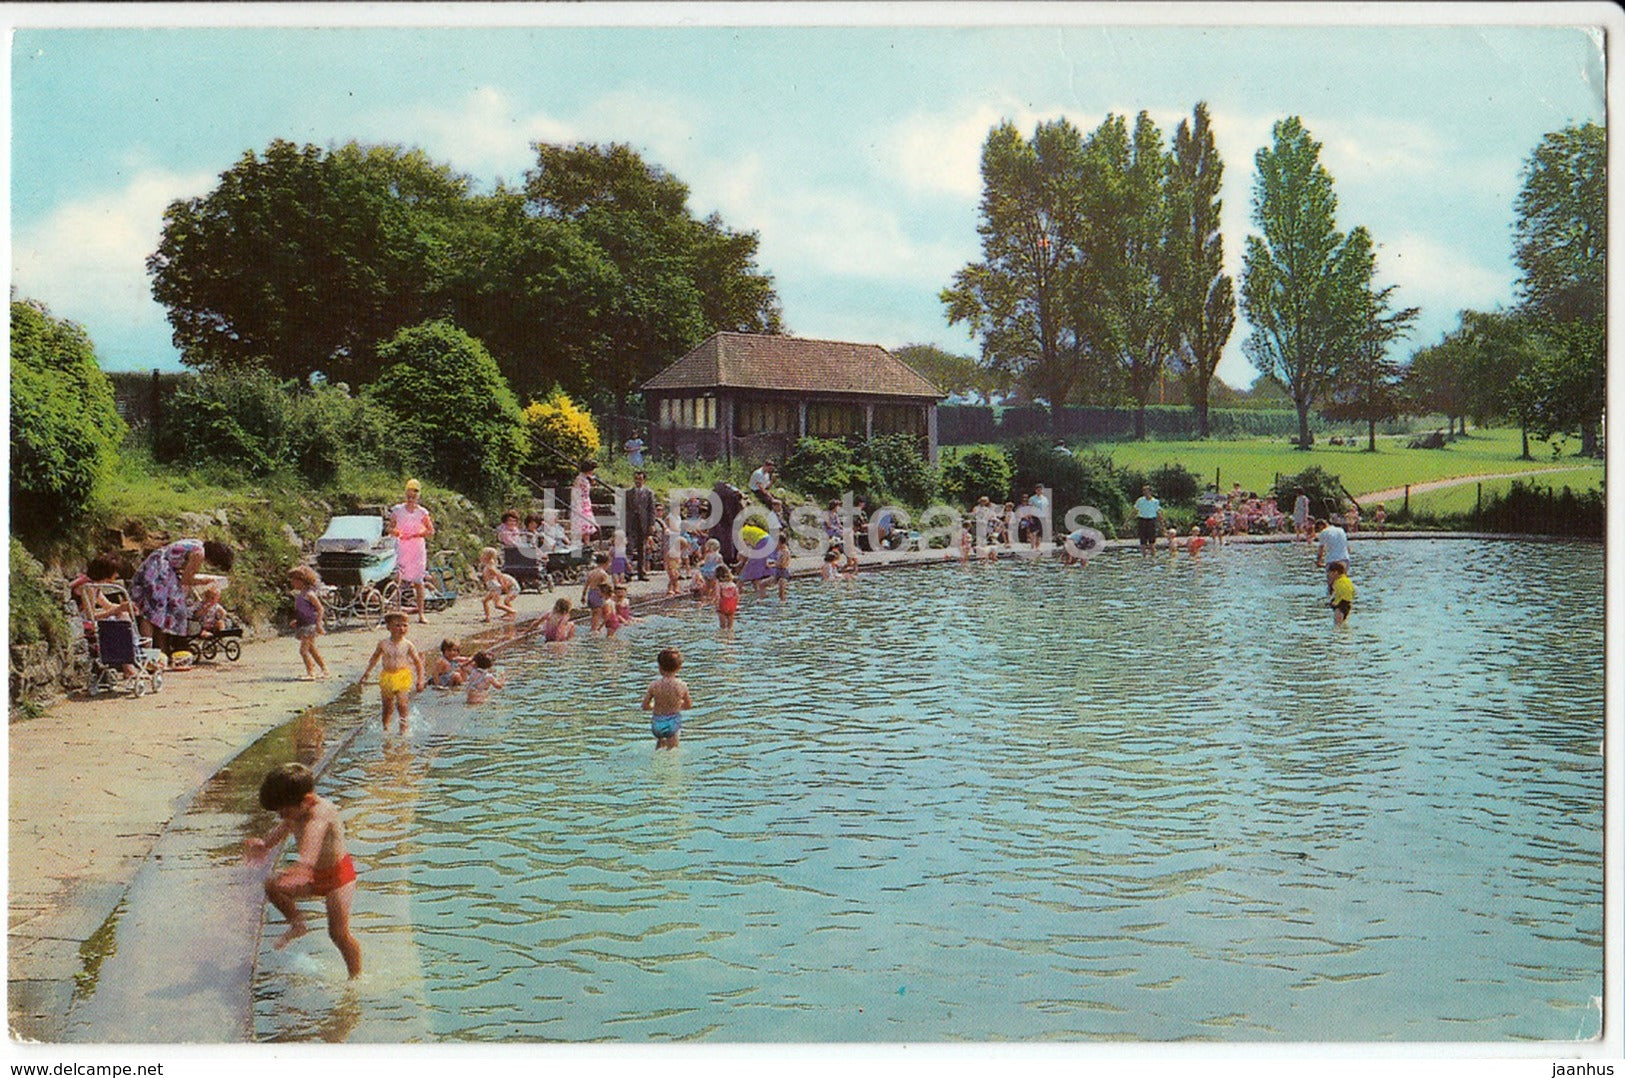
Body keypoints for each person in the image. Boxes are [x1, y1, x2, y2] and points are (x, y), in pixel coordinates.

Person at [244, 762, 362, 979]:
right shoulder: (294, 813)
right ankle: (297, 923)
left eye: (284, 811)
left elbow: (312, 836)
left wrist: (303, 866)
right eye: (279, 812)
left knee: (338, 934)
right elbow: (283, 828)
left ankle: (356, 977)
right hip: (314, 876)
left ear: (307, 800)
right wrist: (265, 844)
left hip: (339, 878)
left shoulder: (321, 812)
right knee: (271, 885)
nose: (282, 817)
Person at [130, 538, 234, 654]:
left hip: (158, 567)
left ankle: (158, 652)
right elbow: (186, 580)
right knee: (152, 614)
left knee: (157, 615)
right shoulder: (199, 553)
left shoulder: (197, 544)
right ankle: (147, 653)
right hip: (159, 573)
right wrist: (207, 580)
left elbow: (181, 568)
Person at [358, 612, 423, 730]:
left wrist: (420, 680)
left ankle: (404, 728)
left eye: (405, 625)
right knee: (387, 706)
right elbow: (374, 658)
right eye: (397, 625)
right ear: (389, 627)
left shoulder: (408, 645)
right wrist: (367, 673)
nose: (402, 629)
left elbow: (418, 662)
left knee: (402, 704)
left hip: (402, 675)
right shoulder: (383, 643)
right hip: (387, 676)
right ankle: (386, 727)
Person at [389, 479, 435, 624]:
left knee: (418, 581)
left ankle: (421, 613)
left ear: (418, 497)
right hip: (402, 545)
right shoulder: (397, 510)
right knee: (398, 578)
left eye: (413, 497)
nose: (410, 499)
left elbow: (430, 530)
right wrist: (396, 532)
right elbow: (390, 528)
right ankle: (397, 611)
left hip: (416, 547)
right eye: (408, 496)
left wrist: (417, 534)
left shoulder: (422, 512)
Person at [641, 647, 693, 751]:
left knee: (660, 745)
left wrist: (655, 706)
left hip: (657, 724)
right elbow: (688, 705)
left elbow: (645, 706)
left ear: (659, 667)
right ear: (679, 668)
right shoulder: (682, 685)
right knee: (673, 749)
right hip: (672, 722)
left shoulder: (654, 685)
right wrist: (677, 706)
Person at [288, 566, 329, 680]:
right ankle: (324, 669)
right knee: (312, 649)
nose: (292, 582)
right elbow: (302, 610)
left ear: (302, 581)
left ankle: (311, 672)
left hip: (310, 626)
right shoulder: (300, 595)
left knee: (303, 651)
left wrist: (319, 624)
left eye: (294, 580)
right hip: (303, 624)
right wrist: (297, 620)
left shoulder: (310, 594)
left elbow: (320, 609)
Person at [625, 471, 656, 581]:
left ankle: (641, 572)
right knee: (629, 547)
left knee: (642, 549)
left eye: (640, 479)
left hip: (643, 524)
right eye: (636, 478)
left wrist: (652, 524)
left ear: (644, 480)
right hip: (631, 524)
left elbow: (652, 509)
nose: (638, 481)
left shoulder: (649, 493)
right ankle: (627, 572)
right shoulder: (628, 493)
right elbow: (625, 510)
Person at [478, 547, 519, 621]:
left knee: (497, 605)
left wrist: (503, 584)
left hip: (494, 586)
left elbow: (498, 574)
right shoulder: (488, 564)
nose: (482, 555)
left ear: (487, 556)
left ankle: (513, 611)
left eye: (483, 554)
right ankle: (487, 617)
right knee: (484, 601)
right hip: (492, 586)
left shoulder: (490, 565)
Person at [572, 460, 601, 547]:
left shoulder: (585, 478)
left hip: (585, 502)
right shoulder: (580, 479)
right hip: (581, 503)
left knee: (587, 525)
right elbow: (575, 492)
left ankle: (586, 544)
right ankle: (585, 544)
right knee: (584, 524)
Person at [582, 553, 613, 633]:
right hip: (598, 594)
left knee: (594, 613)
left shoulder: (591, 572)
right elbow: (606, 586)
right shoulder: (603, 574)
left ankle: (594, 628)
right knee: (598, 614)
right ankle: (594, 630)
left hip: (590, 593)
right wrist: (611, 595)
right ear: (606, 563)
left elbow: (586, 584)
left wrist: (583, 595)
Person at [1133, 485, 1163, 557]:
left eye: (1147, 491)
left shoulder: (1155, 501)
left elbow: (1158, 513)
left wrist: (1162, 524)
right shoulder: (1140, 500)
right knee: (1142, 541)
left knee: (1152, 541)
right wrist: (1127, 521)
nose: (1145, 492)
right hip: (1142, 520)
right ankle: (1144, 557)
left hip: (1151, 521)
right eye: (1144, 491)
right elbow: (1134, 510)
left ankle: (1153, 557)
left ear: (1150, 492)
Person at [1328, 561, 1356, 626]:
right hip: (1348, 604)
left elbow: (1339, 595)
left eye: (1330, 573)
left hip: (1340, 605)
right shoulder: (1347, 580)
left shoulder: (1337, 583)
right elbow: (1353, 591)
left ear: (1336, 572)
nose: (1329, 575)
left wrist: (1333, 603)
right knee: (1343, 624)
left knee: (1337, 625)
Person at [715, 565, 740, 630]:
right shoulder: (733, 584)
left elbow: (718, 595)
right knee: (730, 627)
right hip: (732, 604)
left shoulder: (719, 584)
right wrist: (736, 605)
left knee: (722, 626)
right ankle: (730, 637)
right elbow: (737, 595)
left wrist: (717, 605)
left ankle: (723, 637)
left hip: (723, 603)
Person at [1027, 485, 1050, 550]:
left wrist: (1047, 517)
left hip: (1042, 517)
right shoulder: (1032, 498)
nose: (1039, 491)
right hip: (1034, 516)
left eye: (1040, 490)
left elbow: (1047, 508)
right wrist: (1030, 516)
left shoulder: (1045, 499)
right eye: (1038, 490)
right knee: (1033, 532)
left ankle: (1038, 546)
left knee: (1040, 532)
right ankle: (1032, 546)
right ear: (1036, 490)